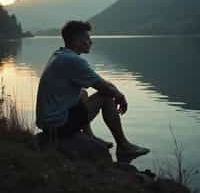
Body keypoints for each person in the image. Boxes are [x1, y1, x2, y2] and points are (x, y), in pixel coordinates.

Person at [36, 20, 150, 161]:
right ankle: (123, 146)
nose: (90, 42)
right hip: (58, 126)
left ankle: (89, 136)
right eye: (87, 38)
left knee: (83, 92)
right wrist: (119, 96)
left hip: (48, 122)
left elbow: (100, 81)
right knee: (106, 97)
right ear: (76, 40)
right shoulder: (73, 61)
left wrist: (116, 91)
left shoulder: (59, 55)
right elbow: (103, 88)